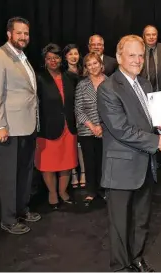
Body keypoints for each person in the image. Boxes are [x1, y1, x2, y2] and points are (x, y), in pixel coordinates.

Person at [97, 35, 161, 272]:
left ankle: (136, 259)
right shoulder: (107, 88)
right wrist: (157, 140)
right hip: (121, 167)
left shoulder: (146, 84)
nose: (137, 60)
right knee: (120, 224)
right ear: (119, 57)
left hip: (144, 165)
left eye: (141, 55)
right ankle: (120, 267)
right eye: (132, 55)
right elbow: (121, 129)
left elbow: (146, 121)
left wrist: (160, 125)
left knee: (141, 220)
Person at [0, 17, 41, 235]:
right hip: (7, 129)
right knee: (9, 175)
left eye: (26, 33)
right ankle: (8, 218)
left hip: (26, 126)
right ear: (9, 34)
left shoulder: (22, 57)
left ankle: (22, 209)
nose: (23, 37)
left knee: (24, 172)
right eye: (19, 33)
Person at [35, 43, 77, 209]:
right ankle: (52, 193)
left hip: (69, 127)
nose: (53, 61)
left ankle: (63, 192)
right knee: (48, 164)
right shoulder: (39, 78)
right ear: (45, 61)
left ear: (61, 59)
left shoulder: (70, 77)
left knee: (66, 163)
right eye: (49, 58)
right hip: (48, 128)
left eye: (56, 57)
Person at [75, 52, 106, 206]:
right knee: (90, 161)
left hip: (107, 129)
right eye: (89, 64)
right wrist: (93, 126)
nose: (93, 67)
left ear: (101, 64)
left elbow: (114, 108)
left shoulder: (110, 82)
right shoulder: (82, 85)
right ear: (86, 68)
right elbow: (79, 110)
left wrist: (102, 126)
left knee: (104, 161)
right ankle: (91, 191)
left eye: (95, 63)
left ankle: (103, 189)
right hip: (87, 130)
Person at [62, 44, 86, 189]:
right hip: (68, 111)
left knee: (81, 144)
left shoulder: (84, 71)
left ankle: (83, 172)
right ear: (65, 57)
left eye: (76, 53)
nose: (73, 57)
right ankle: (73, 173)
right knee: (70, 143)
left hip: (84, 112)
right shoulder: (62, 74)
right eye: (70, 54)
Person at [140, 25, 161, 91]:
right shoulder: (138, 49)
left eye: (154, 34)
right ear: (143, 37)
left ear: (157, 36)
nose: (151, 37)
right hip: (143, 91)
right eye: (148, 35)